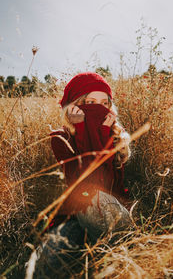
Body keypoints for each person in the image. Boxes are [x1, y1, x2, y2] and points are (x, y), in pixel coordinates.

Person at [50, 72, 132, 238]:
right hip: (84, 205)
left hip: (114, 207)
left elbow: (112, 183)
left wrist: (103, 133)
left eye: (104, 103)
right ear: (74, 106)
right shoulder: (61, 138)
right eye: (91, 103)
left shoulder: (114, 134)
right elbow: (88, 182)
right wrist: (82, 129)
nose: (98, 108)